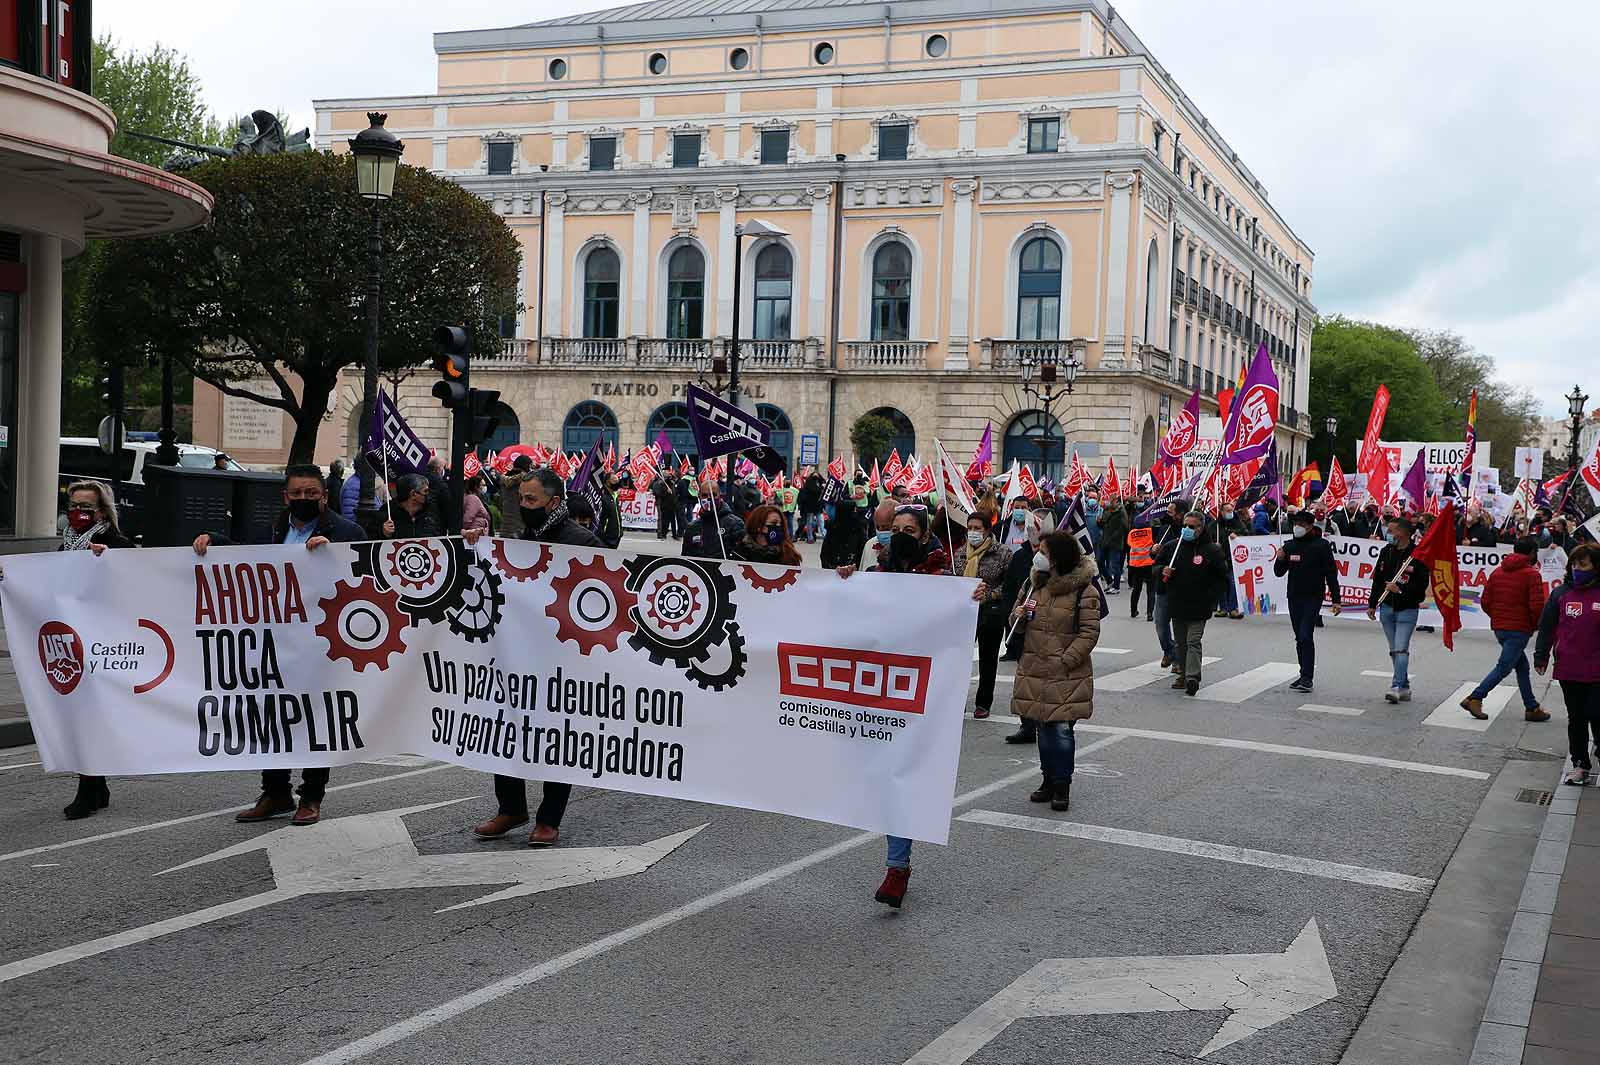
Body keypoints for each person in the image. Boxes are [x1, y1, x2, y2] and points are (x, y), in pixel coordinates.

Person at [192, 464, 364, 826]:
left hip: (322, 643)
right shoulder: (271, 530)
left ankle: (312, 796)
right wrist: (214, 542)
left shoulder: (347, 531)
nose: (303, 499)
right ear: (286, 497)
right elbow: (246, 561)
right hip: (275, 642)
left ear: (325, 497)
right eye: (297, 494)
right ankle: (275, 791)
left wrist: (335, 554)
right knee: (270, 715)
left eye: (311, 494)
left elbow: (364, 577)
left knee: (319, 718)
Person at [839, 501, 980, 908]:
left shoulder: (941, 578)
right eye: (891, 528)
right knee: (880, 778)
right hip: (875, 691)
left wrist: (976, 597)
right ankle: (897, 862)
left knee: (901, 779)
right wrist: (846, 582)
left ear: (924, 535)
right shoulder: (876, 573)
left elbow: (959, 624)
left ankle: (897, 867)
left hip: (919, 697)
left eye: (907, 530)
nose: (897, 535)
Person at [463, 468, 602, 844]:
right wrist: (476, 545)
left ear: (554, 503)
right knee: (505, 727)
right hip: (521, 656)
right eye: (521, 499)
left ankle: (549, 818)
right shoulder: (522, 539)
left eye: (531, 501)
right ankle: (510, 808)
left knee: (560, 737)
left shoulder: (584, 542)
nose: (523, 507)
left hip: (564, 658)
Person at [58, 480, 134, 820]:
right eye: (73, 505)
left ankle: (90, 789)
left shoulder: (115, 543)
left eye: (86, 508)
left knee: (91, 716)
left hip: (104, 645)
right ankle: (94, 785)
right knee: (80, 715)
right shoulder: (66, 548)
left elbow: (136, 578)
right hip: (73, 643)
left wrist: (109, 561)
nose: (77, 513)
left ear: (102, 512)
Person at [1011, 529, 1101, 811]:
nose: (1038, 555)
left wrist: (1066, 660)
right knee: (1043, 730)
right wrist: (1019, 616)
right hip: (1036, 669)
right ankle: (1047, 780)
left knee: (1061, 731)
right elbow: (1017, 616)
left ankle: (1062, 785)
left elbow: (1089, 633)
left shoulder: (1084, 591)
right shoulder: (1034, 584)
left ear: (1058, 557)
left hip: (1066, 672)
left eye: (1045, 552)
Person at [1464, 536, 1552, 721]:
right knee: (1504, 667)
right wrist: (1535, 625)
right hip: (1519, 628)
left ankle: (1532, 706)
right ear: (1532, 553)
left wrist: (1497, 617)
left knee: (1521, 667)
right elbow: (1537, 606)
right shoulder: (1532, 574)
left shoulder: (1497, 572)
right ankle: (1475, 697)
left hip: (1500, 627)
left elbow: (1485, 601)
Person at [1535, 544, 1600, 785]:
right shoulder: (1560, 594)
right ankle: (1580, 764)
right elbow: (1547, 626)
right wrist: (1541, 656)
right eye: (1574, 565)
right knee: (1577, 718)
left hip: (1597, 669)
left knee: (1597, 713)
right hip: (1569, 668)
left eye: (1583, 565)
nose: (1577, 570)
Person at [1157, 509, 1228, 695]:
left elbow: (1222, 577)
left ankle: (1192, 677)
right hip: (1177, 603)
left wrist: (1212, 598)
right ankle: (1182, 674)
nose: (1187, 529)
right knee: (1181, 643)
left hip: (1199, 605)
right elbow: (1155, 566)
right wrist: (1162, 571)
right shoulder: (1173, 547)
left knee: (1193, 641)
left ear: (1201, 528)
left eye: (1192, 527)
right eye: (1185, 526)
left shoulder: (1212, 550)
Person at [1274, 510, 1342, 693]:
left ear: (1311, 526)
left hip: (1313, 596)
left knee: (1305, 635)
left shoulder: (1321, 545)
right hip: (1294, 596)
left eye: (1303, 525)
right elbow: (1279, 572)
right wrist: (1280, 559)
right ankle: (1303, 673)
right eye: (1296, 524)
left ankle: (1307, 677)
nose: (1298, 528)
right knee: (1299, 637)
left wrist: (1336, 599)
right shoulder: (1289, 546)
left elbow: (1331, 573)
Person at [954, 511, 1014, 719]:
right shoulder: (961, 553)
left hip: (991, 613)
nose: (973, 532)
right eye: (970, 528)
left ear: (988, 530)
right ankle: (956, 698)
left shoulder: (1003, 553)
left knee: (988, 660)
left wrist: (989, 595)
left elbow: (1009, 585)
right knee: (959, 659)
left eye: (977, 528)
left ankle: (983, 702)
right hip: (964, 614)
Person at [1367, 516, 1430, 704]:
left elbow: (1421, 586)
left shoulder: (1418, 555)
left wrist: (1400, 590)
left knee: (1401, 648)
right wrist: (1372, 604)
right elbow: (1378, 579)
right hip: (1387, 608)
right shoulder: (1386, 551)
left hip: (1407, 610)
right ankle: (1404, 685)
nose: (1388, 533)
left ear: (1402, 533)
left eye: (1392, 530)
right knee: (1394, 649)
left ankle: (1396, 686)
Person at [682, 486, 746, 560]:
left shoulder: (735, 524)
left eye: (713, 495)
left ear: (720, 496)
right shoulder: (692, 527)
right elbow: (686, 560)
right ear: (699, 497)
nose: (709, 498)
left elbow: (741, 559)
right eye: (704, 495)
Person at [731, 504, 803, 566]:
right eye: (773, 523)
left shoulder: (789, 554)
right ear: (758, 527)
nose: (778, 527)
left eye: (780, 524)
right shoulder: (741, 554)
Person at [1214, 502, 1249, 619]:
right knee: (1221, 584)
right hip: (1219, 559)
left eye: (1231, 510)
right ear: (1221, 512)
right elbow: (1208, 538)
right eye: (1227, 511)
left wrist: (1237, 535)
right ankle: (1223, 608)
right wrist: (1215, 545)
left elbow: (1247, 534)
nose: (1230, 513)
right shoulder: (1216, 526)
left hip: (1234, 559)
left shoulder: (1238, 523)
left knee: (1234, 584)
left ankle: (1233, 608)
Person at [382, 473, 440, 539]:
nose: (428, 494)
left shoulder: (432, 511)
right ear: (413, 494)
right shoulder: (387, 512)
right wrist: (384, 533)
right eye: (425, 491)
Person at [1125, 508, 1157, 621]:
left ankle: (1133, 610)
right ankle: (1150, 613)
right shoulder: (1151, 532)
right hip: (1149, 563)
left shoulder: (1131, 533)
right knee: (1151, 590)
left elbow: (1129, 544)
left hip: (1135, 564)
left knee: (1136, 589)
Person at [1095, 491, 1129, 596]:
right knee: (1100, 562)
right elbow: (1103, 524)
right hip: (1105, 540)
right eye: (1110, 499)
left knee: (1115, 565)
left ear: (1117, 501)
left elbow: (1124, 527)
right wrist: (1099, 521)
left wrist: (1114, 537)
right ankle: (1110, 581)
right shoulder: (1108, 509)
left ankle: (1116, 587)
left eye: (1112, 500)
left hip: (1115, 542)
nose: (1110, 502)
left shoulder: (1121, 511)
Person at [652, 470, 678, 540]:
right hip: (662, 503)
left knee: (672, 520)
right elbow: (657, 492)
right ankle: (661, 533)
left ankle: (674, 534)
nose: (668, 476)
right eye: (667, 475)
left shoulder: (670, 483)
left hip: (671, 504)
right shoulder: (659, 483)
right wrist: (666, 491)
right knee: (663, 519)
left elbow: (674, 490)